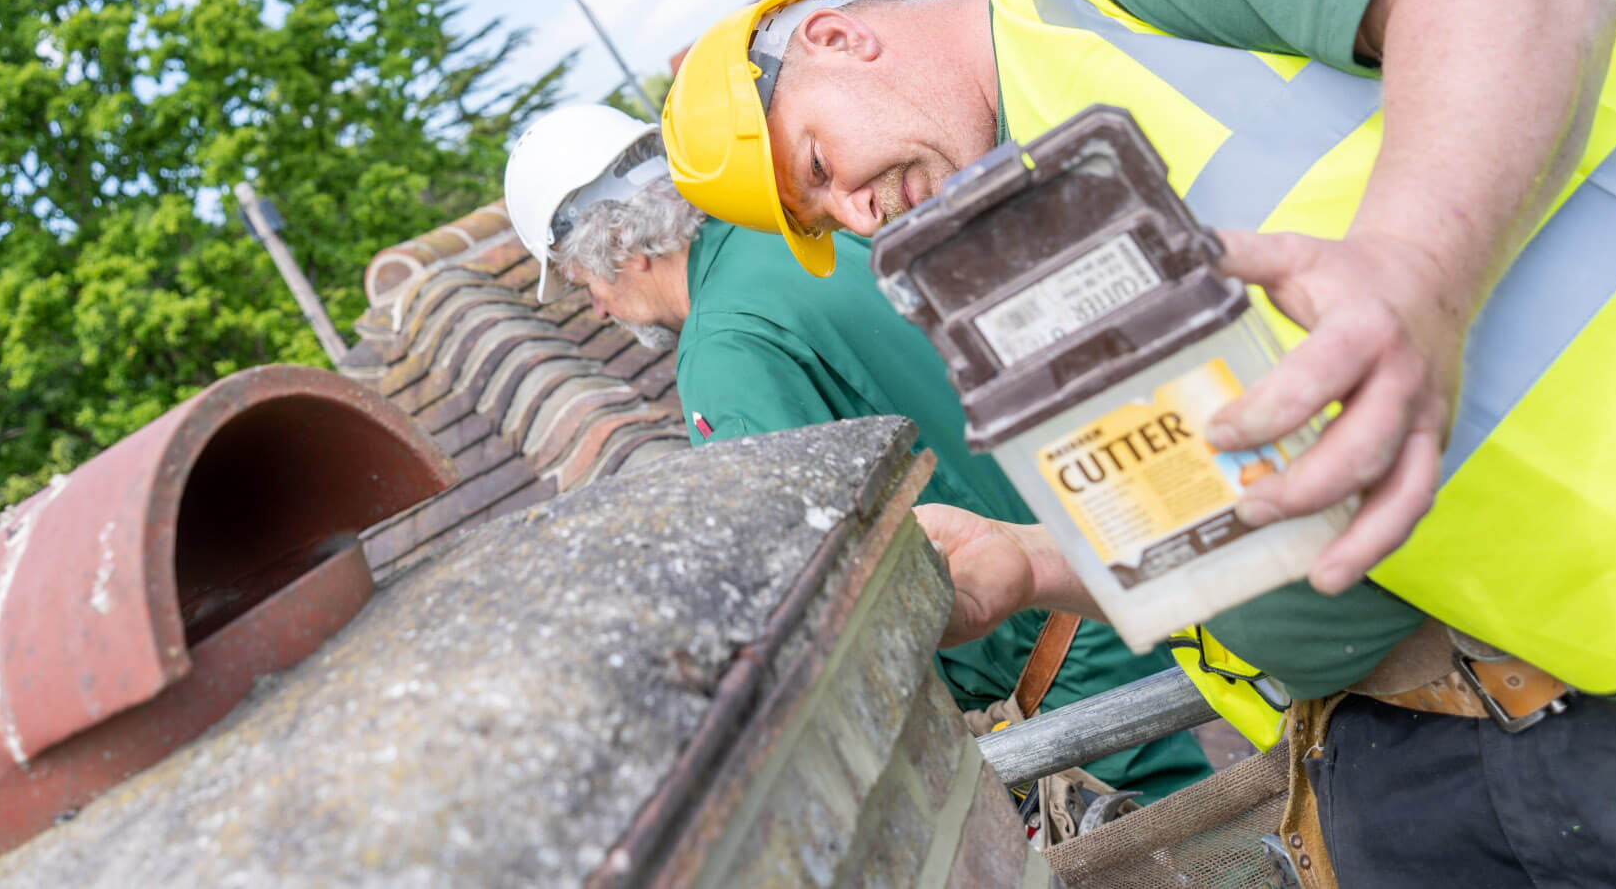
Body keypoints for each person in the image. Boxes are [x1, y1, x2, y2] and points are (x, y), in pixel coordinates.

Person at [661, 0, 1616, 886]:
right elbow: (1247, 534)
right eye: (821, 220)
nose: (857, 213)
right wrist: (1037, 561)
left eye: (816, 164)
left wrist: (1415, 270)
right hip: (1430, 741)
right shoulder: (1014, 235)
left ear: (841, 41)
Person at [503, 102, 1211, 805]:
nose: (594, 304)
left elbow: (806, 584)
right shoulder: (798, 238)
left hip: (1051, 659)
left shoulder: (722, 351)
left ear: (625, 242)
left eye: (580, 278)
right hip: (1085, 568)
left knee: (1196, 847)